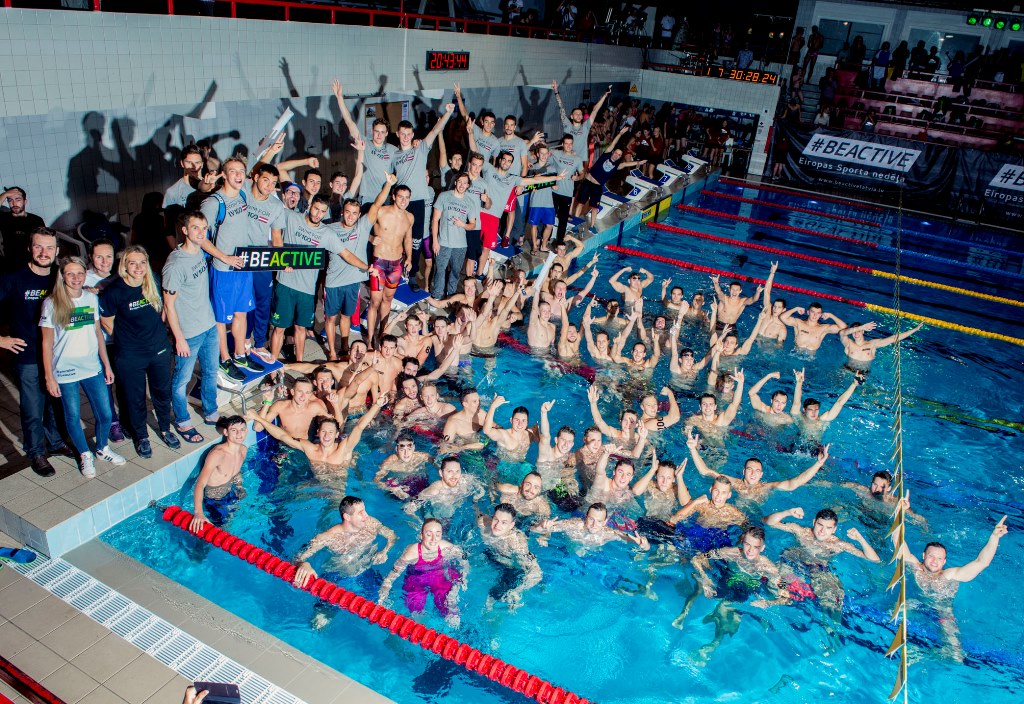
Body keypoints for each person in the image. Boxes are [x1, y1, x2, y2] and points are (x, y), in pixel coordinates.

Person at [40, 256, 125, 477]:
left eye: (80, 273)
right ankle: (85, 454)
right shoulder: (51, 303)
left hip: (92, 367)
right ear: (62, 276)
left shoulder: (90, 298)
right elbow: (47, 343)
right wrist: (50, 377)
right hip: (66, 370)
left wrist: (106, 365)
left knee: (106, 414)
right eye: (70, 273)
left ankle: (102, 448)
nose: (76, 278)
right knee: (72, 415)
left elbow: (98, 333)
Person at [0, 228, 73, 476]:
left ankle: (55, 443)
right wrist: (1, 340)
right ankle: (36, 452)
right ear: (30, 249)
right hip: (28, 356)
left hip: (58, 353)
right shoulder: (13, 279)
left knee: (55, 404)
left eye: (49, 248)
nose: (44, 252)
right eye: (39, 247)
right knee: (33, 407)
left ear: (57, 251)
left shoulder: (59, 277)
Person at [891, 511, 1008, 660]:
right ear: (924, 556)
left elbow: (981, 562)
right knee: (893, 612)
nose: (935, 561)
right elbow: (898, 541)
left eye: (939, 558)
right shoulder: (915, 567)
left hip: (942, 612)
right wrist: (898, 512)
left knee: (956, 656)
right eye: (931, 556)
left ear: (944, 561)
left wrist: (994, 537)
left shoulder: (949, 575)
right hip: (917, 603)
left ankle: (923, 654)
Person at [99, 245, 179, 458]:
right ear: (124, 265)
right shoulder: (114, 291)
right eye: (133, 262)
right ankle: (141, 436)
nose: (138, 267)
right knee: (135, 398)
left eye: (142, 262)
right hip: (130, 354)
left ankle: (165, 428)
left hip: (159, 349)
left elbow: (162, 308)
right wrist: (129, 337)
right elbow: (106, 321)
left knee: (162, 393)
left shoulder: (152, 280)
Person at [198, 156, 265, 382]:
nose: (238, 175)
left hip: (243, 266)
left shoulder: (244, 193)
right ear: (224, 175)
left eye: (241, 171)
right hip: (224, 269)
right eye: (233, 171)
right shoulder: (213, 203)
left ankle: (240, 354)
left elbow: (261, 166)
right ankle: (224, 358)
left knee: (241, 312)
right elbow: (200, 237)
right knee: (221, 319)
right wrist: (224, 257)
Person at [674, 527, 791, 653]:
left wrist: (768, 603)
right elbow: (697, 559)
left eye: (756, 547)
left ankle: (714, 643)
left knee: (725, 608)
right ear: (742, 542)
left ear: (762, 548)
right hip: (726, 580)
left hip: (746, 590)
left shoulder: (769, 568)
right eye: (747, 544)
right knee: (699, 583)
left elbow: (786, 598)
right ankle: (684, 613)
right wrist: (705, 579)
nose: (750, 551)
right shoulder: (731, 552)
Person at [163, 211, 221, 443]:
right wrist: (178, 338)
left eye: (204, 228)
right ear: (185, 230)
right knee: (181, 381)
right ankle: (182, 420)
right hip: (189, 334)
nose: (201, 233)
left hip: (208, 326)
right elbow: (169, 305)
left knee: (210, 372)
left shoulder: (199, 252)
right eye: (195, 228)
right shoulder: (175, 264)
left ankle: (210, 411)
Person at [764, 507, 880, 612]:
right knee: (776, 580)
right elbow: (768, 522)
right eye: (820, 525)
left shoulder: (838, 545)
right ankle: (784, 600)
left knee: (832, 598)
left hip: (818, 568)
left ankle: (830, 627)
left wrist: (860, 539)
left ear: (834, 529)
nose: (823, 531)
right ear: (814, 522)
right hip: (793, 561)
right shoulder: (801, 532)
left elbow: (875, 560)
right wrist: (787, 512)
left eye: (828, 527)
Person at [323, 179, 390, 361]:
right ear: (342, 213)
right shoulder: (330, 229)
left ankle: (344, 348)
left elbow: (376, 204)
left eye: (354, 213)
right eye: (348, 212)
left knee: (345, 317)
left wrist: (388, 185)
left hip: (353, 282)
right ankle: (332, 352)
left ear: (359, 214)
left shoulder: (362, 227)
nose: (351, 216)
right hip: (333, 282)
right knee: (330, 319)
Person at [249, 396, 385, 481]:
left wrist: (376, 405)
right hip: (315, 483)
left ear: (337, 434)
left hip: (337, 490)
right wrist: (257, 418)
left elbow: (359, 427)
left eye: (331, 432)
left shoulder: (344, 448)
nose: (327, 436)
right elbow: (282, 435)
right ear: (318, 432)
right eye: (324, 431)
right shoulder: (310, 448)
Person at [392, 106, 456, 288]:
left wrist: (448, 113)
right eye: (402, 133)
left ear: (412, 135)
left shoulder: (419, 150)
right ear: (397, 134)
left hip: (418, 201)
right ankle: (397, 274)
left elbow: (435, 130)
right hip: (401, 203)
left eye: (408, 133)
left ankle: (411, 276)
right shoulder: (393, 155)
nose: (405, 136)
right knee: (397, 238)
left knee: (416, 240)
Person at [687, 427, 829, 501]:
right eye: (749, 470)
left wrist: (818, 464)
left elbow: (794, 483)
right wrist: (693, 449)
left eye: (756, 471)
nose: (753, 473)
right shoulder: (734, 483)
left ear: (762, 474)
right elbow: (705, 471)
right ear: (743, 472)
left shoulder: (767, 487)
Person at [379, 518, 469, 627]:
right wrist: (385, 587)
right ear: (421, 535)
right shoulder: (412, 552)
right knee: (417, 617)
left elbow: (464, 557)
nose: (433, 539)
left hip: (439, 579)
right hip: (417, 581)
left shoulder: (445, 546)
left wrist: (464, 575)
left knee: (451, 614)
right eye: (429, 534)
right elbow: (394, 572)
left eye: (438, 534)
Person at [291, 495, 397, 587]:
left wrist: (384, 551)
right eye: (361, 512)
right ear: (347, 517)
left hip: (366, 568)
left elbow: (392, 536)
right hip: (337, 575)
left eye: (365, 510)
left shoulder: (371, 523)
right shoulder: (327, 537)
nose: (366, 515)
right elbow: (296, 557)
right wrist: (303, 564)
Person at [332, 80, 396, 206]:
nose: (379, 135)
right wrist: (340, 98)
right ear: (372, 131)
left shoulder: (393, 150)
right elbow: (349, 122)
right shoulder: (364, 144)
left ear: (387, 133)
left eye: (382, 132)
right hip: (367, 197)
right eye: (377, 131)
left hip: (385, 197)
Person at [366, 180, 413, 349]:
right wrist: (371, 238)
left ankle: (382, 334)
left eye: (407, 198)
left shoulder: (410, 217)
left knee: (388, 300)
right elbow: (361, 228)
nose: (403, 201)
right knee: (375, 302)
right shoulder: (381, 212)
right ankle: (370, 339)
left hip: (396, 264)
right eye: (400, 197)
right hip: (379, 262)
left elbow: (408, 239)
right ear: (393, 197)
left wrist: (409, 258)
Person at [573, 126, 646, 233]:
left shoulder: (617, 165)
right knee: (580, 203)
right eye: (616, 153)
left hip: (597, 186)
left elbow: (626, 164)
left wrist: (638, 162)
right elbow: (612, 144)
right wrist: (620, 133)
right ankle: (575, 223)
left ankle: (592, 226)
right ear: (612, 152)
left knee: (594, 208)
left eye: (619, 155)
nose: (617, 155)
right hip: (588, 182)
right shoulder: (606, 155)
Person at [188, 416, 249, 532]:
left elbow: (236, 471)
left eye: (242, 429)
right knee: (219, 531)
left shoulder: (243, 450)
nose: (239, 434)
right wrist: (198, 513)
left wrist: (239, 486)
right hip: (214, 499)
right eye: (234, 430)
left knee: (233, 520)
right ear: (226, 432)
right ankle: (198, 549)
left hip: (230, 492)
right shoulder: (217, 454)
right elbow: (200, 484)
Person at [477, 503, 543, 610]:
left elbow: (535, 572)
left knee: (491, 601)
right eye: (496, 519)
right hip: (493, 555)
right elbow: (477, 511)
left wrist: (517, 590)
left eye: (504, 523)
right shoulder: (483, 523)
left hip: (513, 567)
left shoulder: (516, 543)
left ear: (511, 525)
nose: (497, 525)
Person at [431, 171, 479, 300]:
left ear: (468, 185)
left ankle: (451, 297)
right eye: (460, 182)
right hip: (443, 243)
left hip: (460, 245)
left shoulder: (470, 202)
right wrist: (435, 241)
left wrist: (463, 224)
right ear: (456, 182)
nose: (462, 185)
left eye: (465, 183)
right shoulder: (444, 196)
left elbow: (472, 225)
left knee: (455, 272)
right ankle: (436, 296)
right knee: (440, 271)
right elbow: (435, 220)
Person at [533, 502, 650, 551]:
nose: (594, 525)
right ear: (586, 517)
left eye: (599, 521)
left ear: (605, 522)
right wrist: (543, 526)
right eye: (591, 519)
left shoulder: (608, 533)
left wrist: (643, 545)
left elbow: (626, 538)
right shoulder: (572, 525)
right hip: (567, 550)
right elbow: (533, 530)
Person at [405, 455, 486, 518]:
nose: (454, 476)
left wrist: (478, 497)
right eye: (450, 471)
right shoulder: (435, 490)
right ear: (441, 473)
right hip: (435, 515)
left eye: (457, 471)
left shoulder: (464, 480)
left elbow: (480, 486)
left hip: (455, 510)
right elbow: (409, 506)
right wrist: (416, 519)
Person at [259, 376, 337, 440]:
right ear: (292, 392)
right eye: (300, 391)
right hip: (285, 446)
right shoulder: (280, 406)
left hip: (304, 445)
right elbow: (258, 427)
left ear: (310, 394)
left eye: (307, 393)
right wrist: (268, 401)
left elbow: (336, 425)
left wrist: (335, 405)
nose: (303, 396)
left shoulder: (314, 407)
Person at [684, 371, 745, 437]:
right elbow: (686, 434)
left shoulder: (721, 420)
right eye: (704, 404)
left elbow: (734, 404)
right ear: (700, 406)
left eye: (711, 404)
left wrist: (740, 383)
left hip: (719, 447)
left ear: (715, 407)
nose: (707, 407)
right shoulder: (694, 420)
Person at [548, 135, 585, 244]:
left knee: (563, 220)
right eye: (566, 143)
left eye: (570, 143)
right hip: (554, 192)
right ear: (563, 144)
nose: (568, 146)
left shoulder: (577, 159)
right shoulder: (557, 153)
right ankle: (545, 240)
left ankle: (559, 242)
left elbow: (583, 174)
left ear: (572, 145)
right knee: (549, 218)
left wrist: (577, 177)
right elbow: (545, 151)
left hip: (567, 194)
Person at [840, 320, 923, 369]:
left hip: (863, 374)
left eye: (858, 331)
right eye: (854, 331)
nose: (856, 334)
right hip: (846, 370)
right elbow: (842, 333)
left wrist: (915, 329)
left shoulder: (872, 344)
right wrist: (860, 327)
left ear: (863, 331)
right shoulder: (849, 343)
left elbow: (893, 338)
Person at [0, 186, 46, 272]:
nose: (14, 204)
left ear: (25, 201)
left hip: (32, 263)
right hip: (9, 264)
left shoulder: (36, 220)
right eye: (10, 200)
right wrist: (5, 194)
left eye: (18, 200)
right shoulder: (3, 218)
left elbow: (44, 242)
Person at [552, 81, 610, 147]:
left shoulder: (586, 126)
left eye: (580, 114)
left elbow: (595, 110)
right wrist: (556, 92)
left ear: (582, 117)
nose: (578, 115)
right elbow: (561, 107)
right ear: (571, 116)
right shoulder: (567, 125)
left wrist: (605, 96)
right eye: (576, 114)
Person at [375, 433, 432, 500]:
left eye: (409, 449)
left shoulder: (422, 457)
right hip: (400, 489)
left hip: (422, 485)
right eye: (402, 450)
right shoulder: (389, 463)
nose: (406, 453)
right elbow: (376, 481)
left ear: (413, 448)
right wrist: (393, 488)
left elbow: (440, 464)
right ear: (397, 449)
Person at [779, 303, 846, 352]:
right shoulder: (798, 323)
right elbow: (782, 317)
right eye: (812, 312)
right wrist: (795, 309)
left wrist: (831, 316)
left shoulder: (823, 328)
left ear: (820, 315)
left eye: (818, 313)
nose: (815, 315)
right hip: (795, 354)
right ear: (808, 312)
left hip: (810, 361)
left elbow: (844, 327)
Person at [162, 144, 207, 208]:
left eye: (197, 162)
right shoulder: (173, 192)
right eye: (189, 162)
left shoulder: (212, 188)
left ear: (202, 164)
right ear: (182, 163)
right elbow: (169, 217)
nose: (193, 167)